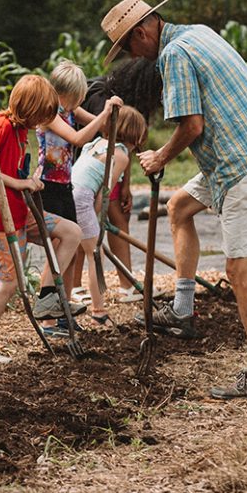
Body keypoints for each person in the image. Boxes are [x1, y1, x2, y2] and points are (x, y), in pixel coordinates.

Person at [102, 0, 247, 400]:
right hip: (246, 150)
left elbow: (193, 125)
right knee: (178, 207)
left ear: (142, 32)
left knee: (240, 272)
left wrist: (160, 156)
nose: (132, 57)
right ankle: (183, 310)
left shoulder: (174, 55)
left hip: (244, 164)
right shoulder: (198, 34)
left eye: (128, 48)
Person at [0, 74, 85, 368]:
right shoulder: (3, 127)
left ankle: (46, 296)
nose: (45, 120)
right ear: (28, 108)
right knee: (8, 283)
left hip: (19, 212)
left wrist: (28, 181)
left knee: (71, 232)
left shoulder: (21, 131)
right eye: (42, 114)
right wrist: (16, 185)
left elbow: (11, 170)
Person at [38, 60, 122, 304]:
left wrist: (111, 110)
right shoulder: (50, 113)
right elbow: (77, 138)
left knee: (70, 251)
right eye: (77, 96)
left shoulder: (70, 110)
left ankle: (61, 306)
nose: (79, 102)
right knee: (57, 249)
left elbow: (100, 124)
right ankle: (48, 309)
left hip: (65, 184)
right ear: (66, 93)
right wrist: (104, 113)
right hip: (48, 185)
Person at [79, 57, 162, 300]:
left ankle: (126, 284)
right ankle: (77, 286)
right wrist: (103, 196)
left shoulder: (137, 106)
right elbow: (107, 147)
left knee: (117, 219)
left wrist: (125, 186)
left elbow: (127, 150)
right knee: (84, 228)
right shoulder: (104, 100)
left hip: (109, 172)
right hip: (91, 175)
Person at [70, 104, 148, 322]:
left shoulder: (95, 143)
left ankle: (64, 299)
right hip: (83, 198)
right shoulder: (121, 156)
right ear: (135, 135)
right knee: (95, 254)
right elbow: (103, 194)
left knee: (69, 249)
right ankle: (98, 309)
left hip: (68, 191)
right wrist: (95, 218)